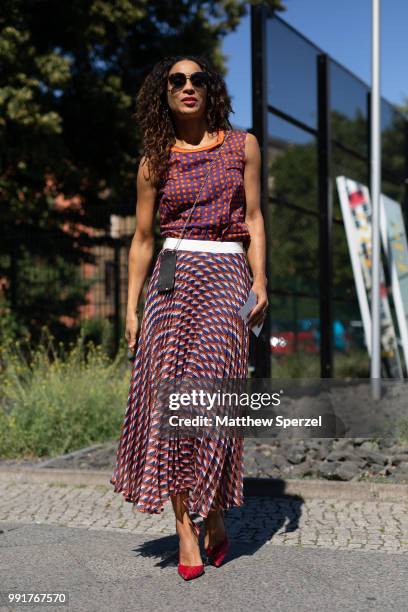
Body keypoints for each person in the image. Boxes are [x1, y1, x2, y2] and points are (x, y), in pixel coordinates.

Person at [110, 54, 268, 581]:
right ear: (165, 93)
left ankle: (216, 510)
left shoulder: (242, 146)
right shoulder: (155, 160)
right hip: (171, 281)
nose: (187, 86)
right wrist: (130, 308)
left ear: (210, 88)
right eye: (176, 80)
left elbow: (253, 218)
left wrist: (261, 280)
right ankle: (185, 527)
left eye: (197, 78)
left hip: (226, 277)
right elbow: (141, 240)